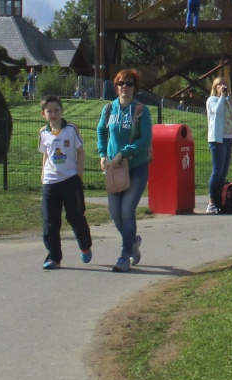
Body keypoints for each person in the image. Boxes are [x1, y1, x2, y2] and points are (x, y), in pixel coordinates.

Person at [96, 69, 153, 272]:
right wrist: (103, 154)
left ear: (135, 87)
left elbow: (145, 139)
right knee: (115, 214)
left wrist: (124, 153)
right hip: (114, 168)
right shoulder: (109, 109)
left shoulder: (140, 110)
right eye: (120, 83)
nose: (124, 87)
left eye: (129, 83)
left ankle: (124, 256)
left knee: (127, 211)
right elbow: (101, 131)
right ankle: (133, 242)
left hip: (135, 167)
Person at [38, 95, 92, 270]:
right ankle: (54, 257)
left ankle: (85, 246)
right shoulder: (43, 133)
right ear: (43, 114)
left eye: (56, 110)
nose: (53, 114)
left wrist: (79, 175)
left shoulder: (71, 129)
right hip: (50, 182)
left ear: (62, 111)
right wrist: (43, 175)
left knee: (75, 217)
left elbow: (80, 152)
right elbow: (46, 154)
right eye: (49, 111)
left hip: (70, 180)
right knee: (50, 221)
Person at [205, 76, 232, 213]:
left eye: (225, 84)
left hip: (228, 138)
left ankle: (219, 200)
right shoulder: (212, 100)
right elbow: (217, 112)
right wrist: (221, 96)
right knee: (217, 171)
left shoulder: (226, 102)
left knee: (224, 172)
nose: (223, 86)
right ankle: (211, 202)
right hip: (217, 140)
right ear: (215, 87)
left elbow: (231, 117)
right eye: (220, 84)